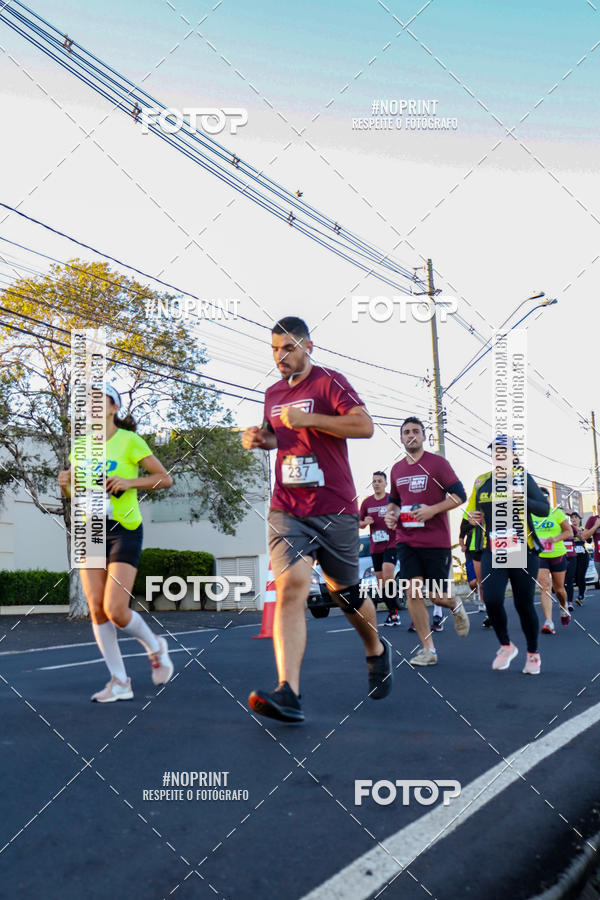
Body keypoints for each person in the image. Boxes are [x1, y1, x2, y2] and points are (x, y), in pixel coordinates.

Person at [242, 317, 392, 723]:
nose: (281, 356)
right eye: (275, 349)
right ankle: (288, 691)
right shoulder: (273, 393)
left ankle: (376, 649)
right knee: (291, 587)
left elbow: (364, 426)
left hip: (335, 507)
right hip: (288, 508)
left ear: (308, 347)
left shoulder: (330, 382)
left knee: (345, 594)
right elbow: (281, 437)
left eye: (288, 348)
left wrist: (312, 419)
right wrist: (261, 440)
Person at [58, 384, 174, 702]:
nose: (92, 407)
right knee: (96, 609)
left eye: (100, 401)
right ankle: (119, 681)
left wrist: (129, 481)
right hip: (91, 530)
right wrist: (66, 485)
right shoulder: (80, 446)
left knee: (116, 609)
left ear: (113, 408)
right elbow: (75, 493)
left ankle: (155, 647)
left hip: (124, 529)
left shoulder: (129, 441)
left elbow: (164, 478)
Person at [384, 416, 469, 666]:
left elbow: (460, 495)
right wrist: (391, 514)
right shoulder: (397, 470)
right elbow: (395, 501)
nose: (411, 435)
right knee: (412, 591)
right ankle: (428, 650)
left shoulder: (437, 464)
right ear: (401, 438)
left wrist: (433, 510)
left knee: (437, 596)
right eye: (406, 432)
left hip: (435, 541)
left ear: (423, 436)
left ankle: (454, 604)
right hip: (407, 540)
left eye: (415, 431)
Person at [465, 436, 549, 674]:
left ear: (514, 455)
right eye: (495, 451)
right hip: (494, 549)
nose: (499, 455)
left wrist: (522, 498)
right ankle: (506, 645)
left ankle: (533, 653)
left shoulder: (523, 477)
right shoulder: (482, 482)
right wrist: (472, 518)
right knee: (491, 599)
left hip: (522, 549)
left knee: (523, 604)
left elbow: (544, 509)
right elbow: (472, 513)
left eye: (504, 451)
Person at [359, 471, 400, 626]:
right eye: (374, 481)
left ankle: (395, 612)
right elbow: (358, 523)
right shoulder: (367, 503)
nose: (376, 484)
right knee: (381, 581)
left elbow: (402, 517)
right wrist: (365, 522)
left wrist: (395, 522)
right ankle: (392, 612)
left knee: (388, 573)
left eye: (379, 481)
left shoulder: (391, 500)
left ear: (385, 484)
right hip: (375, 547)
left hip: (391, 543)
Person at [532, 488, 573, 634]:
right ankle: (549, 622)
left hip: (557, 554)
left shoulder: (556, 513)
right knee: (545, 586)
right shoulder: (529, 514)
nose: (543, 499)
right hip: (539, 555)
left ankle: (563, 606)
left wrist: (555, 539)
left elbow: (569, 532)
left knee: (559, 589)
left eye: (545, 496)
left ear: (549, 498)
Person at [564, 511, 588, 609]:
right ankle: (568, 599)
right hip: (571, 555)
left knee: (580, 576)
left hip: (582, 555)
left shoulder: (583, 529)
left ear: (579, 519)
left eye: (575, 517)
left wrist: (581, 533)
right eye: (572, 518)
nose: (573, 519)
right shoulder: (568, 529)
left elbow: (588, 539)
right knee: (571, 577)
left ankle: (581, 595)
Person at [581, 510, 600, 586]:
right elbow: (584, 536)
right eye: (599, 504)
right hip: (598, 557)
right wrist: (596, 526)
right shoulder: (592, 520)